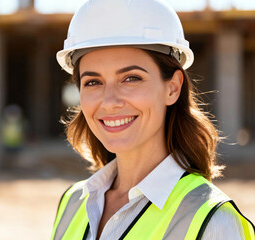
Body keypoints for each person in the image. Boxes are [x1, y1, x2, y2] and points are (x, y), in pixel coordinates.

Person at [52, 0, 255, 239]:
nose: (109, 101)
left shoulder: (213, 221)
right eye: (93, 82)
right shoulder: (72, 204)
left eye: (131, 78)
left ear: (172, 88)